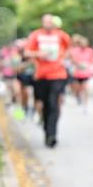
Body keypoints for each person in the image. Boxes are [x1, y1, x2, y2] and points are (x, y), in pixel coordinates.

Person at [25, 14, 71, 147]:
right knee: (45, 104)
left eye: (50, 22)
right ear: (42, 23)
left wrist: (64, 57)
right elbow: (27, 52)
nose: (48, 24)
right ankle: (47, 130)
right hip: (41, 75)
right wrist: (38, 54)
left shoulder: (61, 35)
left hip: (58, 74)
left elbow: (69, 49)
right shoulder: (36, 35)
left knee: (53, 103)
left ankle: (52, 134)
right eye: (46, 22)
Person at [68, 35, 93, 110]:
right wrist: (78, 64)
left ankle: (85, 104)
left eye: (85, 43)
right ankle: (78, 96)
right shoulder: (75, 50)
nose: (83, 45)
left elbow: (92, 60)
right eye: (82, 43)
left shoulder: (90, 51)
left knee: (85, 87)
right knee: (77, 88)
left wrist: (88, 66)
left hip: (86, 73)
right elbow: (72, 59)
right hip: (77, 72)